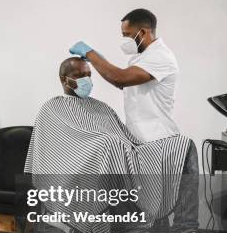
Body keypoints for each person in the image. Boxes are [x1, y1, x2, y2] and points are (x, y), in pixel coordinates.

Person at [54, 57, 227, 233]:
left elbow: (127, 139)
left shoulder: (102, 108)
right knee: (111, 149)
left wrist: (155, 155)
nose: (87, 80)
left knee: (183, 145)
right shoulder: (54, 109)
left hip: (122, 161)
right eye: (80, 75)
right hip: (85, 177)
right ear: (65, 80)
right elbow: (56, 152)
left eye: (89, 75)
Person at [68, 8, 178, 143]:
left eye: (127, 35)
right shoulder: (139, 58)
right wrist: (98, 61)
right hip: (140, 138)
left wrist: (90, 53)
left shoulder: (160, 56)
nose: (124, 40)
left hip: (159, 138)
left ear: (143, 32)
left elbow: (119, 79)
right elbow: (127, 85)